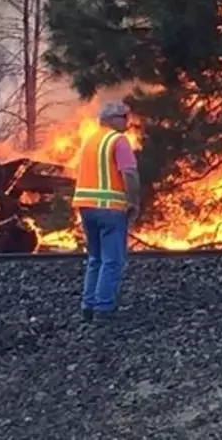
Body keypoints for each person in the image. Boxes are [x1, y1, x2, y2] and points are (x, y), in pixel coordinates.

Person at [72, 101, 141, 322]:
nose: (127, 122)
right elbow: (129, 173)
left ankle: (88, 306)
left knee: (95, 258)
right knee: (112, 260)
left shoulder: (89, 140)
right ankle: (104, 308)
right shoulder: (118, 141)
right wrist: (134, 201)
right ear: (112, 120)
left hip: (86, 207)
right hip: (110, 209)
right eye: (123, 117)